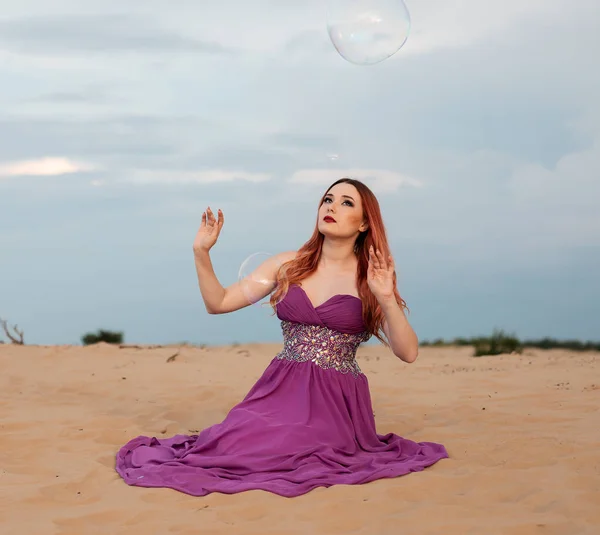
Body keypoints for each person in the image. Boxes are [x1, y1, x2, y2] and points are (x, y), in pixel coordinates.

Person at [115, 178, 448, 497]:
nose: (331, 206)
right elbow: (218, 303)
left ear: (363, 223)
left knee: (294, 446)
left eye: (346, 203)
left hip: (333, 400)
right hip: (278, 388)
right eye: (327, 199)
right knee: (238, 440)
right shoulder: (287, 265)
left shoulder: (371, 279)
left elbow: (408, 352)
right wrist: (201, 252)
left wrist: (386, 297)